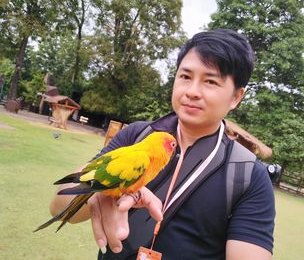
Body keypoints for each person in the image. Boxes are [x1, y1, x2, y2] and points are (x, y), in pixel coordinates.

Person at [50, 29, 275, 259]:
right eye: (185, 76)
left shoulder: (248, 176)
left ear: (237, 96)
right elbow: (59, 209)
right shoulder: (136, 135)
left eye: (210, 81)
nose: (192, 91)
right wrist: (97, 192)